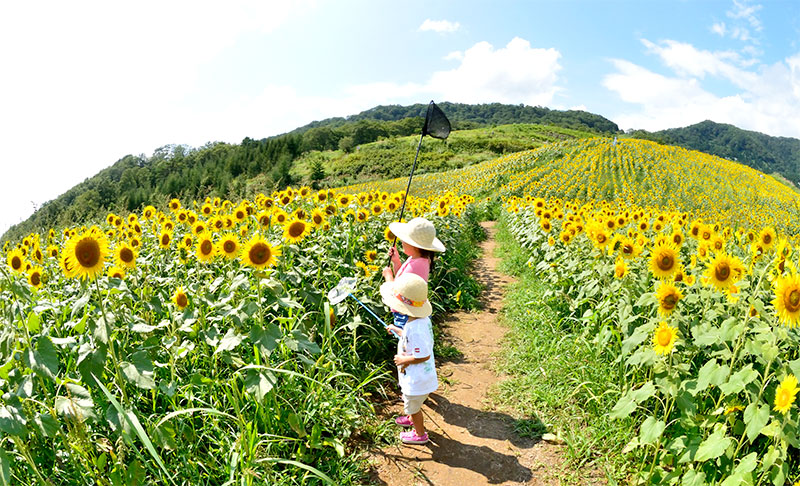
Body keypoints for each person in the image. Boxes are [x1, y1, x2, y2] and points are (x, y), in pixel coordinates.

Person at [380, 273, 437, 445]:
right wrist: (398, 330)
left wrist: (404, 360)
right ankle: (412, 415)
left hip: (416, 380)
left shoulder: (416, 327)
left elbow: (423, 355)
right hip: (419, 378)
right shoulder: (419, 320)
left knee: (414, 405)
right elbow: (413, 339)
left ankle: (420, 434)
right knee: (412, 403)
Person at [382, 217, 446, 334]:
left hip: (407, 314)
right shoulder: (419, 260)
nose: (401, 241)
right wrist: (396, 262)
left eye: (404, 239)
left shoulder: (417, 264)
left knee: (407, 345)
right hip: (410, 313)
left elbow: (397, 290)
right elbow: (404, 283)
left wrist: (388, 277)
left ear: (414, 245)